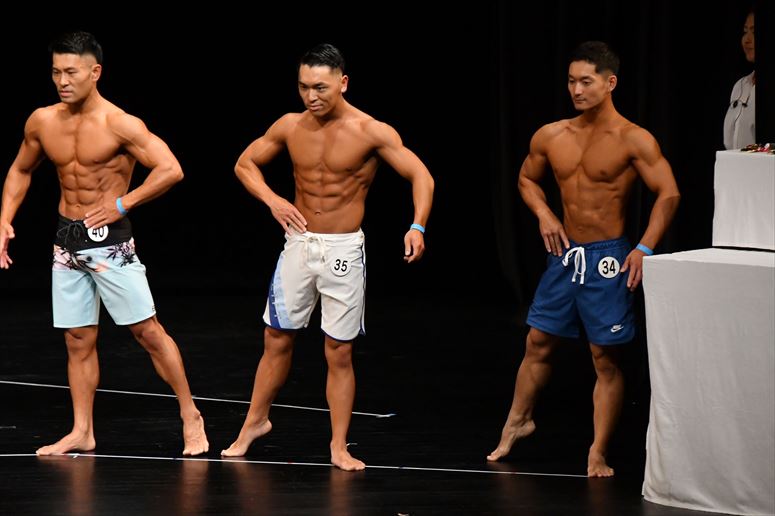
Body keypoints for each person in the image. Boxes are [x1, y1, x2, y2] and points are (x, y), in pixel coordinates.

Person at [221, 43, 434, 471]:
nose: (311, 96)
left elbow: (421, 175)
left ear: (343, 83)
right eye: (303, 87)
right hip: (299, 245)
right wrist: (273, 200)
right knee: (275, 338)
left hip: (343, 250)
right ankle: (254, 423)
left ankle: (339, 446)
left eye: (320, 87)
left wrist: (418, 225)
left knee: (338, 350)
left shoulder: (370, 130)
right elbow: (244, 164)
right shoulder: (290, 125)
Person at [0, 31, 208, 456]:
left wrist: (122, 204)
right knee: (77, 339)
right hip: (66, 239)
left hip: (110, 241)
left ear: (95, 72)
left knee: (147, 332)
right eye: (55, 72)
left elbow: (171, 168)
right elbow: (21, 169)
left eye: (71, 72)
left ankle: (190, 414)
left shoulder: (120, 123)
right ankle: (82, 431)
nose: (62, 81)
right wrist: (5, 218)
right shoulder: (42, 121)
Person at [487, 41, 680, 477]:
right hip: (565, 254)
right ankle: (518, 421)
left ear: (610, 83)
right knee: (537, 342)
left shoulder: (633, 139)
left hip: (609, 257)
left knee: (603, 357)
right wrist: (544, 213)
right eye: (571, 81)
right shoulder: (552, 135)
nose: (576, 90)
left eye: (586, 82)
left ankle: (598, 452)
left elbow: (668, 193)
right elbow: (526, 179)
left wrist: (645, 248)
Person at [723, 9, 755, 150]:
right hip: (734, 162)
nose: (747, 40)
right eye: (745, 31)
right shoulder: (740, 85)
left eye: (754, 32)